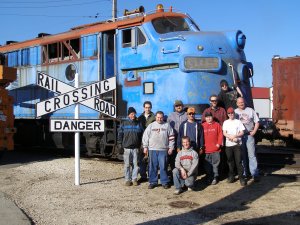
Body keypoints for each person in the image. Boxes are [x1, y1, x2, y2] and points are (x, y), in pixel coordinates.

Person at [142, 111, 175, 189]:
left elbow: (171, 137)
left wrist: (171, 147)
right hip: (152, 149)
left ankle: (164, 182)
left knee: (163, 167)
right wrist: (145, 147)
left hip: (163, 150)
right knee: (152, 166)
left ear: (163, 117)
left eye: (161, 117)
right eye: (158, 117)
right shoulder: (151, 126)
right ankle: (153, 182)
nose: (159, 119)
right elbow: (145, 136)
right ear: (155, 117)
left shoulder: (167, 125)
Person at [235, 97, 260, 181]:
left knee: (251, 155)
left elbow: (257, 122)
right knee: (242, 156)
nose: (241, 104)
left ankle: (254, 173)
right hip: (240, 137)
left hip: (249, 135)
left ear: (244, 102)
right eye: (239, 102)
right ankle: (245, 174)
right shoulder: (235, 112)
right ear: (237, 103)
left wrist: (254, 131)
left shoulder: (250, 110)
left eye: (242, 102)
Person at [117, 107, 144, 186]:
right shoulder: (124, 123)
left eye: (134, 114)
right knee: (127, 165)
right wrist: (119, 144)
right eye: (131, 114)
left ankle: (134, 179)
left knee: (136, 165)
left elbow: (142, 134)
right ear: (128, 115)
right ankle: (127, 180)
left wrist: (142, 144)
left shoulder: (138, 123)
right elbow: (120, 134)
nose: (133, 115)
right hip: (127, 148)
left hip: (136, 148)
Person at [222, 107, 247, 186]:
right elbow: (224, 133)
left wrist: (235, 136)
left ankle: (241, 178)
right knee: (230, 161)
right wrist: (230, 137)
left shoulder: (238, 122)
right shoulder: (225, 122)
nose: (231, 114)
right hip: (228, 145)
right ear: (227, 114)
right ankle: (231, 176)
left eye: (232, 113)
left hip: (237, 144)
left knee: (238, 161)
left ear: (234, 113)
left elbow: (242, 132)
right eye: (229, 113)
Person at [202, 112, 223, 185]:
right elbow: (200, 137)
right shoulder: (202, 125)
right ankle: (209, 177)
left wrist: (218, 144)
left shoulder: (217, 125)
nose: (208, 118)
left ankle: (215, 177)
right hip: (206, 150)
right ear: (205, 118)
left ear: (212, 117)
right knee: (207, 165)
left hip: (215, 149)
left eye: (210, 117)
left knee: (215, 164)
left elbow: (220, 134)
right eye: (207, 117)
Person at [137, 101, 156, 182]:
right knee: (142, 159)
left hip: (152, 140)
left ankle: (151, 177)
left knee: (151, 160)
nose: (147, 109)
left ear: (151, 108)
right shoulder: (140, 117)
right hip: (142, 141)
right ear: (144, 108)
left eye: (149, 107)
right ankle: (143, 176)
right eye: (146, 107)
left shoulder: (154, 117)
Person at [167, 100, 188, 171]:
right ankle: (174, 170)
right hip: (174, 138)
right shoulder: (171, 115)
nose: (178, 107)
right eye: (177, 106)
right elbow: (167, 126)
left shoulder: (186, 114)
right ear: (175, 107)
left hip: (184, 138)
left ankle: (184, 170)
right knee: (174, 155)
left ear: (182, 106)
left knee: (184, 154)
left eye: (180, 105)